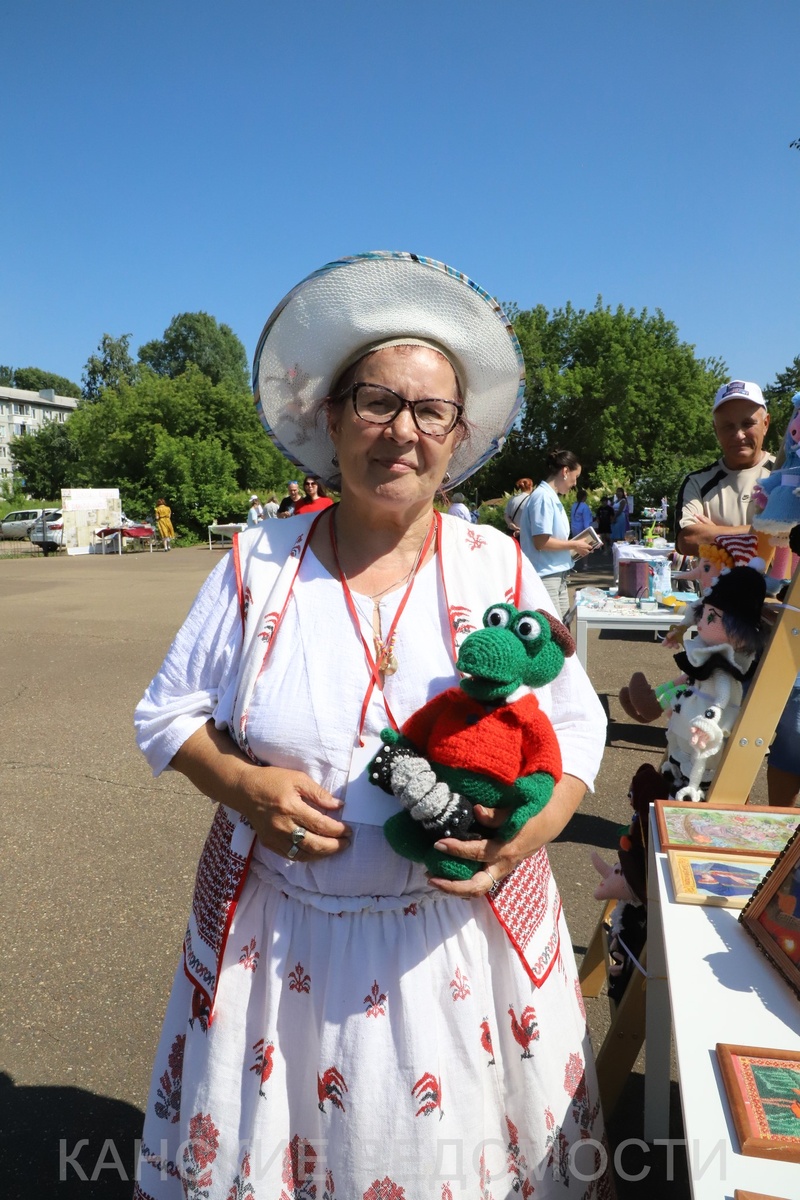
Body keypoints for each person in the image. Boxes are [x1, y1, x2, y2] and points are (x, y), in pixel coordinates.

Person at [133, 252, 611, 1199]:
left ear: (458, 434)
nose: (403, 431)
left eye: (430, 411)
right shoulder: (255, 561)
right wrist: (242, 785)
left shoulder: (496, 564)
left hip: (457, 950)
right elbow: (169, 712)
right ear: (331, 416)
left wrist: (526, 836)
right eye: (378, 401)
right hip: (285, 953)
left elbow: (575, 728)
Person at [675, 380, 773, 556]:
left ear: (765, 424)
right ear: (715, 429)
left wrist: (716, 534)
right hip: (718, 585)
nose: (738, 435)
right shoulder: (698, 482)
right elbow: (688, 540)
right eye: (728, 426)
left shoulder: (787, 475)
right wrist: (769, 530)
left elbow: (793, 537)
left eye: (747, 424)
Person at [520, 449, 593, 619]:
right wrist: (574, 544)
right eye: (577, 476)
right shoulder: (543, 497)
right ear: (565, 471)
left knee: (563, 629)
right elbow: (541, 542)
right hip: (546, 576)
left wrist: (576, 548)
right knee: (555, 635)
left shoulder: (549, 497)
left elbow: (550, 541)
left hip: (555, 574)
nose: (575, 483)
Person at [570, 488, 594, 572]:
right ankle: (585, 564)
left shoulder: (574, 505)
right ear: (584, 497)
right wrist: (588, 531)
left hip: (574, 528)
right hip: (582, 529)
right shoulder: (584, 506)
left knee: (574, 547)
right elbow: (586, 520)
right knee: (585, 546)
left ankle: (572, 564)